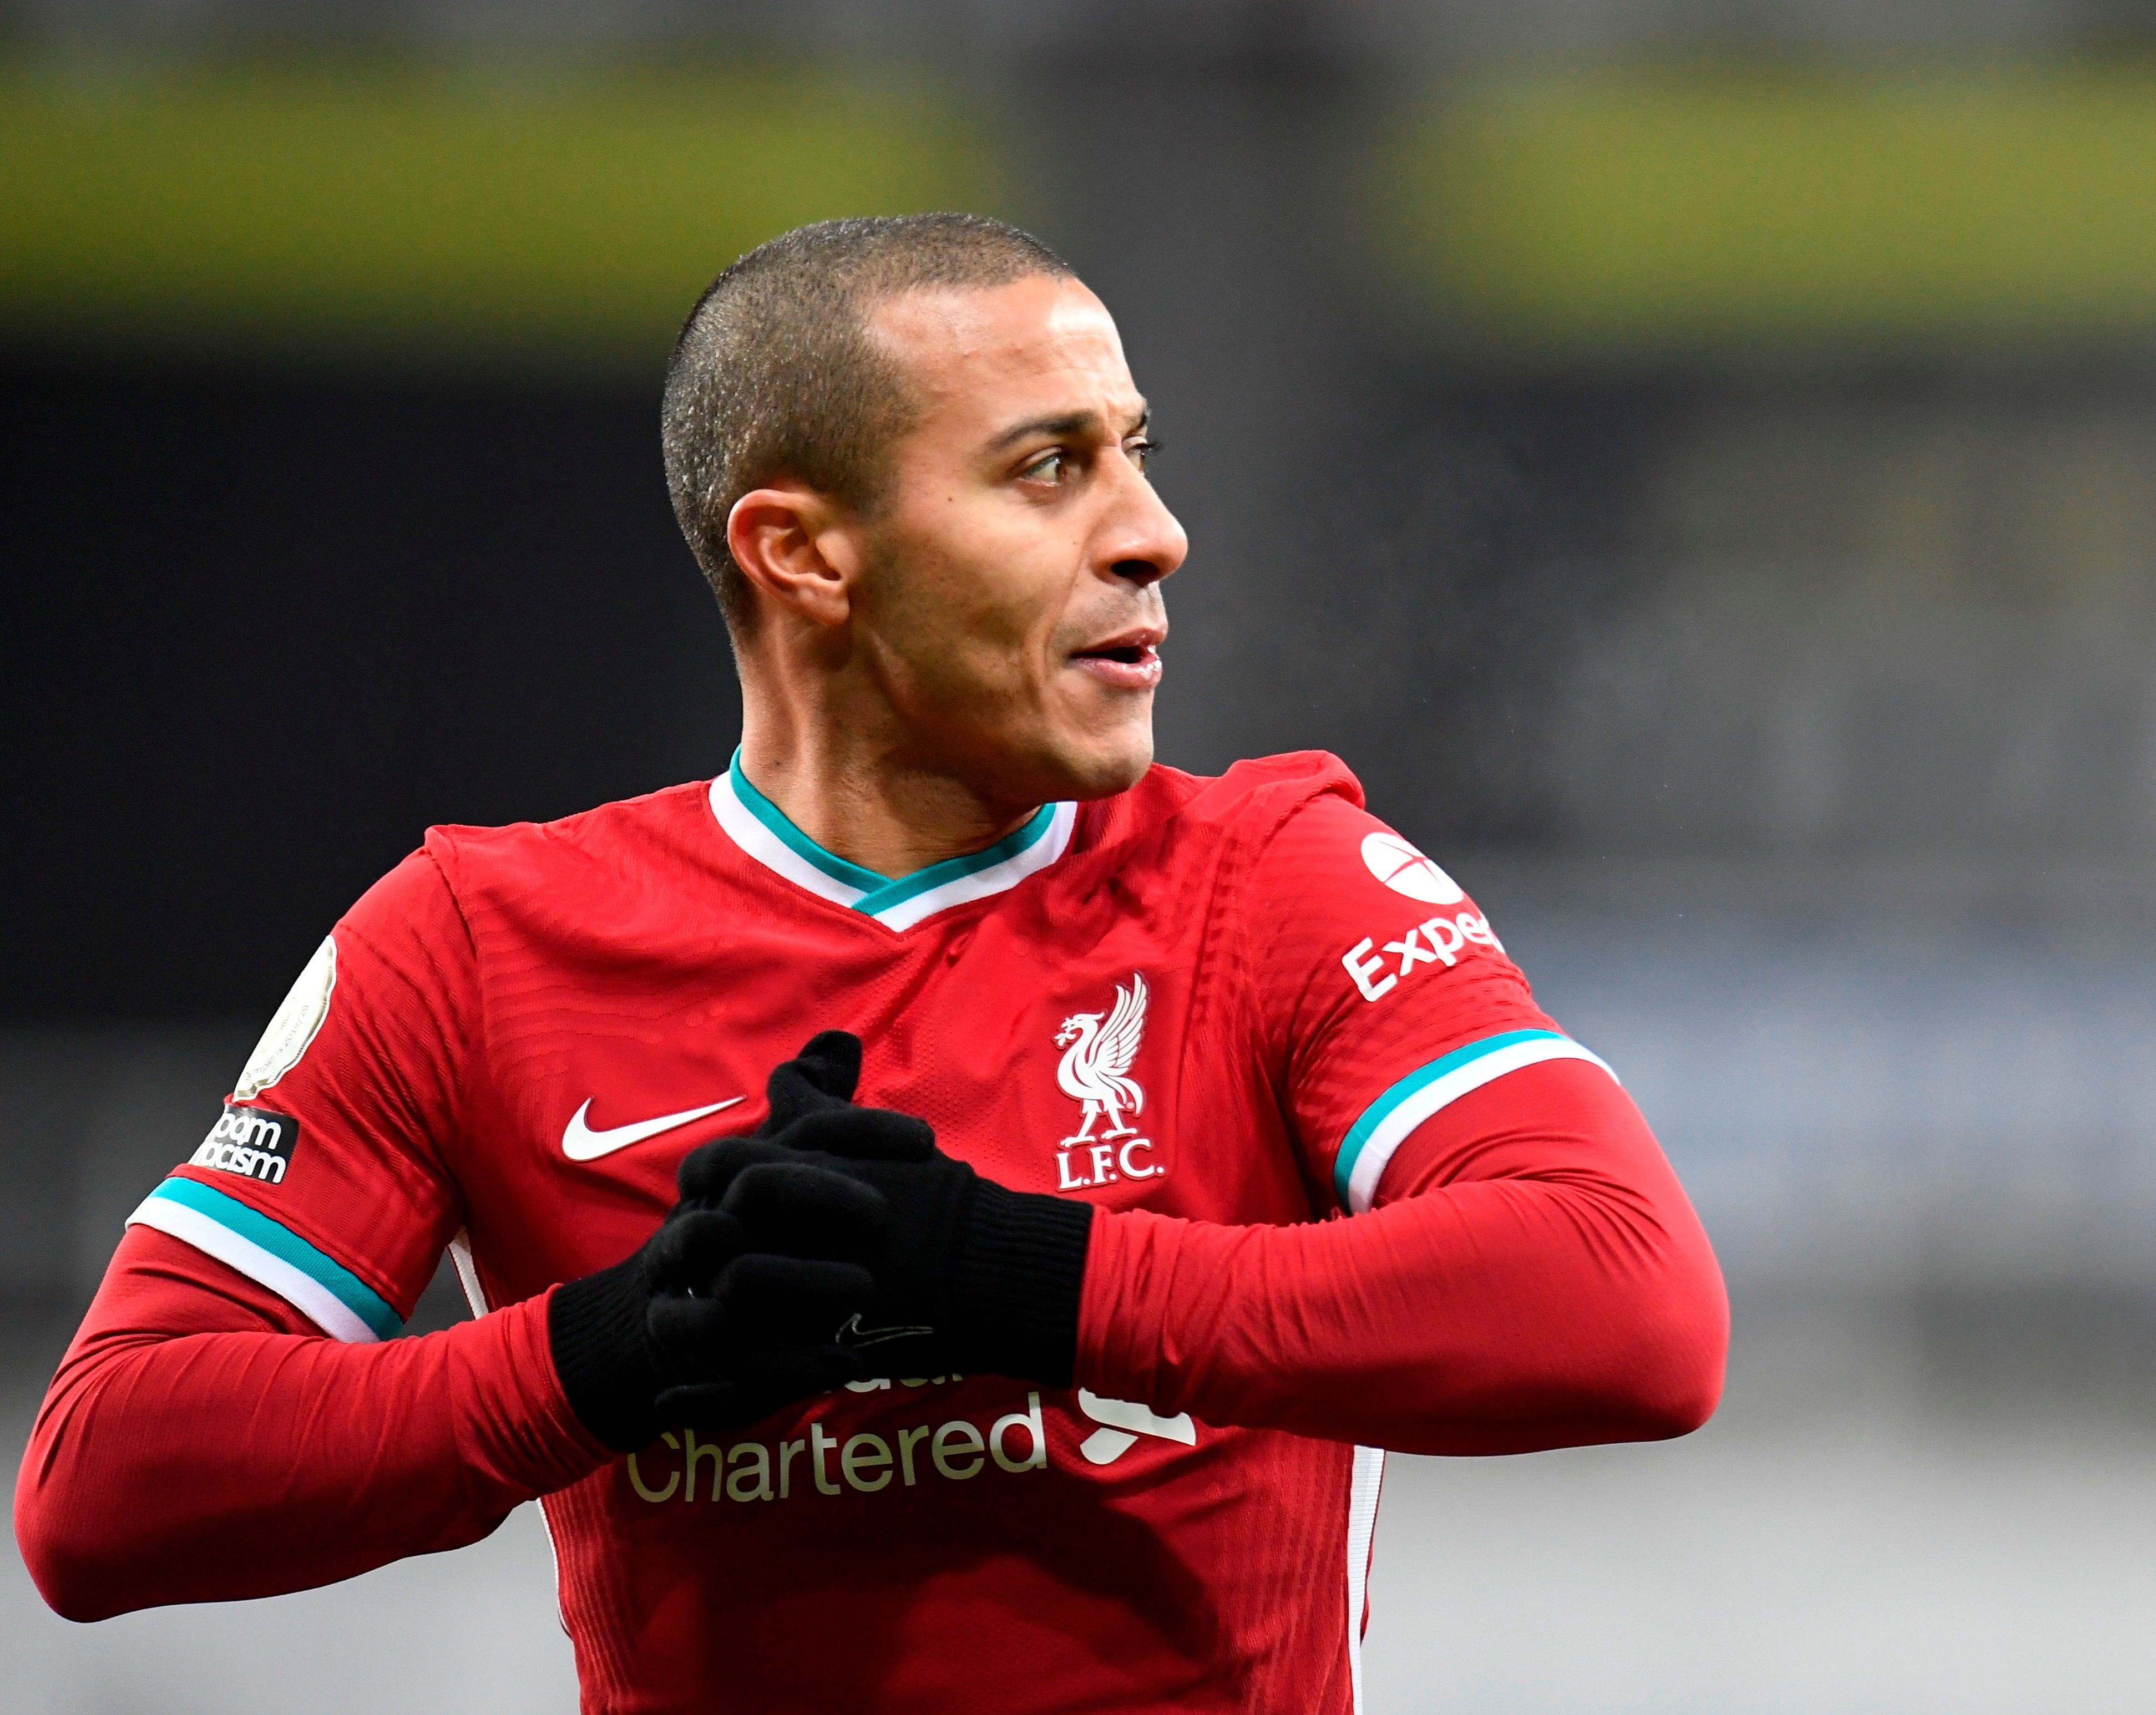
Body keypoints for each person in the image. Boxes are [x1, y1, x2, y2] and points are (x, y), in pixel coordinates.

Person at [14, 214, 1728, 1713]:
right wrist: (607, 1356)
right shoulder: (474, 943)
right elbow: (99, 1486)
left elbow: (1631, 1301)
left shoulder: (1274, 880)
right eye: (1049, 468)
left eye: (1135, 453)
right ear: (804, 553)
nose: (1154, 532)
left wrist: (1012, 1276)